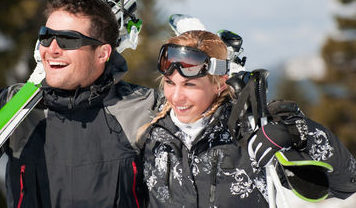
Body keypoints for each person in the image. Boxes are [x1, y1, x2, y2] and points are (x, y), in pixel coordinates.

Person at [0, 0, 159, 207]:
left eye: (68, 40)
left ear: (102, 53)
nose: (51, 49)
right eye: (46, 37)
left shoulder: (143, 109)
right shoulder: (13, 105)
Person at [136, 30, 356, 207]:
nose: (176, 96)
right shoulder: (151, 135)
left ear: (220, 83)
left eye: (189, 85)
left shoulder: (249, 135)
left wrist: (301, 134)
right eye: (169, 82)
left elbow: (347, 185)